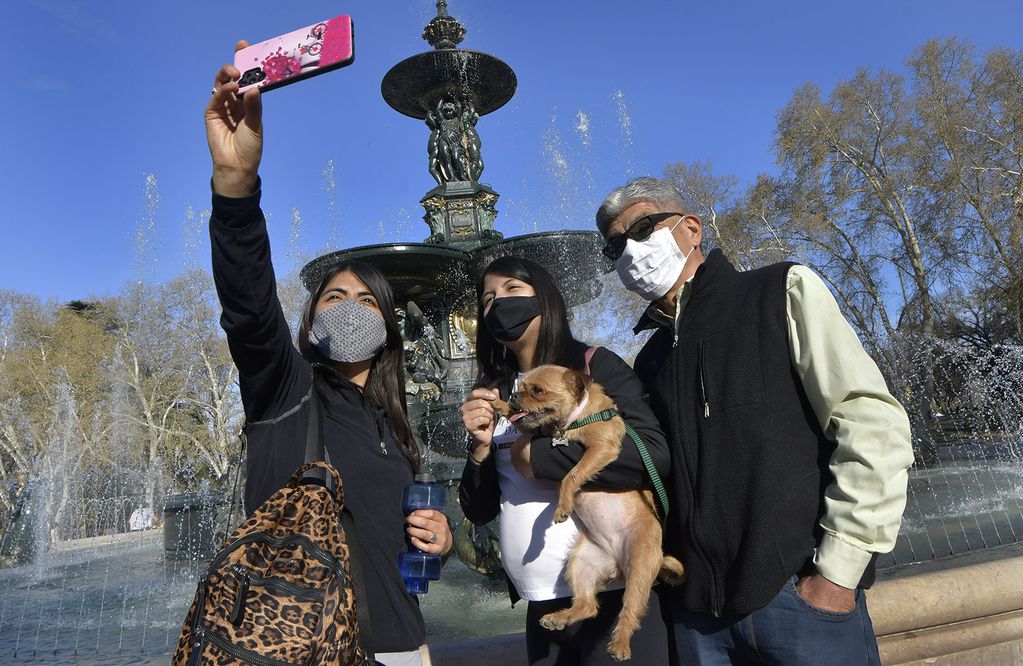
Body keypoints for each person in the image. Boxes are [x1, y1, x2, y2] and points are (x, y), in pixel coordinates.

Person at [594, 177, 915, 664]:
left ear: (691, 229)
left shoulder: (781, 291)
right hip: (699, 622)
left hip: (800, 601)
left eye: (641, 228)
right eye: (614, 246)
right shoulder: (649, 362)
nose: (629, 251)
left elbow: (870, 423)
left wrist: (837, 574)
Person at [205, 44, 453, 665]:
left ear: (390, 326)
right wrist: (236, 185)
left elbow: (387, 546)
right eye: (332, 297)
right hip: (298, 650)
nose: (347, 307)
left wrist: (437, 544)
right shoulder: (286, 390)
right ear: (312, 320)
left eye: (366, 301)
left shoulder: (394, 423)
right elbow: (248, 303)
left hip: (401, 649)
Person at [458, 256, 676, 665]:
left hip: (612, 592)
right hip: (542, 606)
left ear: (546, 299)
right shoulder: (493, 391)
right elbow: (479, 508)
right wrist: (480, 449)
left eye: (511, 290)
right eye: (487, 299)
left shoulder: (592, 367)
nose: (497, 304)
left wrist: (539, 458)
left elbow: (652, 454)